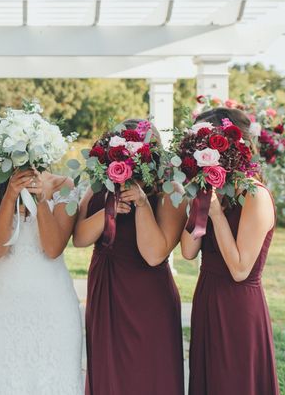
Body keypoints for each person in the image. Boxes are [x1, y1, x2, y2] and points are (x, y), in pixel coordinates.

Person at [74, 119, 187, 394]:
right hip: (106, 288)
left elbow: (154, 255)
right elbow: (79, 238)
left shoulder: (171, 191)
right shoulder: (101, 184)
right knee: (107, 371)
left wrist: (142, 203)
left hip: (147, 296)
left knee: (147, 373)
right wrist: (108, 212)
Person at [180, 107, 280, 395]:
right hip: (207, 296)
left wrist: (216, 215)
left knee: (233, 383)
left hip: (238, 306)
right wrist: (199, 203)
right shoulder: (211, 193)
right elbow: (188, 251)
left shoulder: (255, 196)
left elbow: (239, 269)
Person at [0, 168, 84, 395]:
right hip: (5, 303)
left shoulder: (63, 184)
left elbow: (53, 248)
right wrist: (10, 194)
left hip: (54, 303)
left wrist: (41, 199)